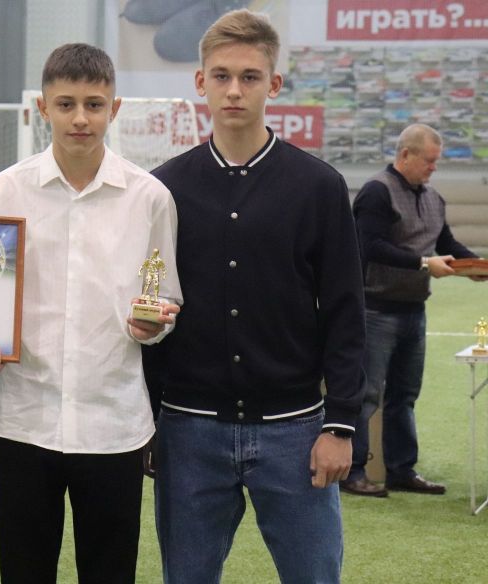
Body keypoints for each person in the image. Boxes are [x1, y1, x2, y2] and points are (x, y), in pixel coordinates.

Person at [143, 10, 365, 582]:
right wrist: (148, 421)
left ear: (275, 84)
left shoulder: (319, 186)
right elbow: (150, 306)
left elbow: (345, 311)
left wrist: (341, 423)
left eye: (249, 76)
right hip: (189, 430)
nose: (234, 90)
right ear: (201, 82)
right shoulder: (163, 188)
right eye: (221, 76)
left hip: (295, 429)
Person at [0, 43, 182, 584]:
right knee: (23, 572)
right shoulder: (0, 193)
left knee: (110, 572)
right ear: (42, 108)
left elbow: (164, 294)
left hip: (114, 423)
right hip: (23, 419)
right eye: (66, 104)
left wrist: (155, 325)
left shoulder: (151, 198)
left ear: (115, 109)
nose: (80, 119)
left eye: (94, 105)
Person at [343, 123, 487, 497]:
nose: (434, 168)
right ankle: (353, 471)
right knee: (366, 394)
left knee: (405, 395)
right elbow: (370, 246)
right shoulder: (377, 192)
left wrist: (475, 265)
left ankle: (401, 470)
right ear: (405, 155)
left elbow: (446, 242)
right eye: (429, 161)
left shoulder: (433, 197)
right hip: (376, 310)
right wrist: (423, 263)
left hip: (413, 310)